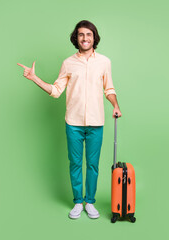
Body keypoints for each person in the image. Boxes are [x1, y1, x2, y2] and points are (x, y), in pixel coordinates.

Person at [17, 20, 122, 219]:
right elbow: (56, 91)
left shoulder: (104, 62)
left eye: (89, 35)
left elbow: (109, 89)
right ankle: (77, 202)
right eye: (81, 34)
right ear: (76, 38)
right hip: (73, 123)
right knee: (75, 163)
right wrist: (34, 78)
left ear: (94, 38)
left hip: (96, 122)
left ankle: (89, 202)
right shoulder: (68, 63)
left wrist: (115, 105)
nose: (85, 38)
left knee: (92, 164)